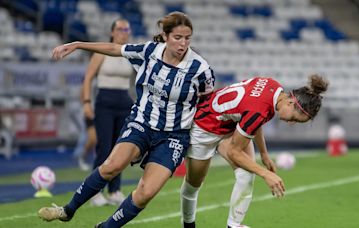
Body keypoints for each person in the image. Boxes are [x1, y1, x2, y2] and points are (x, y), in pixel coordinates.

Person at [38, 11, 215, 227]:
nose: (183, 43)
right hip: (141, 123)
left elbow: (207, 102)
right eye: (178, 37)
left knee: (145, 193)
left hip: (173, 137)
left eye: (187, 38)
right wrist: (77, 44)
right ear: (166, 36)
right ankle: (67, 210)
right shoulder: (150, 51)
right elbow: (114, 49)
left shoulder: (200, 69)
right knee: (111, 166)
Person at [181, 75, 328, 228]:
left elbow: (254, 120)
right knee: (193, 185)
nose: (291, 123)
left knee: (246, 173)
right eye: (294, 118)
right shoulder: (259, 110)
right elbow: (234, 151)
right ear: (291, 102)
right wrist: (266, 174)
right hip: (205, 127)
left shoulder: (274, 86)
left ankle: (233, 225)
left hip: (229, 124)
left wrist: (264, 154)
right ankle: (188, 224)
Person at [80, 18, 137, 206]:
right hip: (105, 102)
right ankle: (95, 192)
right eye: (120, 29)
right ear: (112, 32)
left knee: (120, 148)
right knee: (103, 148)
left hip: (124, 102)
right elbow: (87, 79)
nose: (124, 32)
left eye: (126, 29)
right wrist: (87, 102)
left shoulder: (130, 54)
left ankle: (114, 190)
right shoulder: (101, 53)